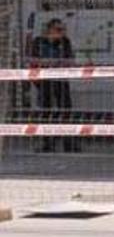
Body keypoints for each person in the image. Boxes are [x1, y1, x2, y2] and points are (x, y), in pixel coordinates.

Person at [31, 18, 77, 153]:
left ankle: (69, 143)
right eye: (58, 30)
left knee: (66, 110)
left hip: (61, 80)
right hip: (44, 81)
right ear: (49, 30)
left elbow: (69, 59)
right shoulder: (38, 42)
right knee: (46, 111)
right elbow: (33, 59)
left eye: (63, 29)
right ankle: (47, 144)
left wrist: (54, 64)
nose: (62, 32)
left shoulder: (65, 42)